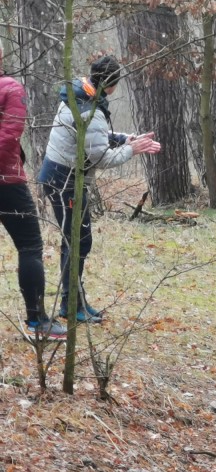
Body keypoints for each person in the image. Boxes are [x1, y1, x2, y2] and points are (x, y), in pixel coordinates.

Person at [39, 55, 162, 322]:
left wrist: (124, 138)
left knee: (78, 240)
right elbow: (102, 158)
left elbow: (88, 138)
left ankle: (75, 301)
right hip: (65, 182)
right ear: (112, 84)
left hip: (60, 176)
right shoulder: (91, 110)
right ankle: (72, 306)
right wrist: (132, 149)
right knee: (77, 242)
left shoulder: (80, 93)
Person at [0, 46, 67, 340]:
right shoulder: (10, 88)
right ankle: (37, 320)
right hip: (7, 182)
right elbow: (10, 132)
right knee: (30, 247)